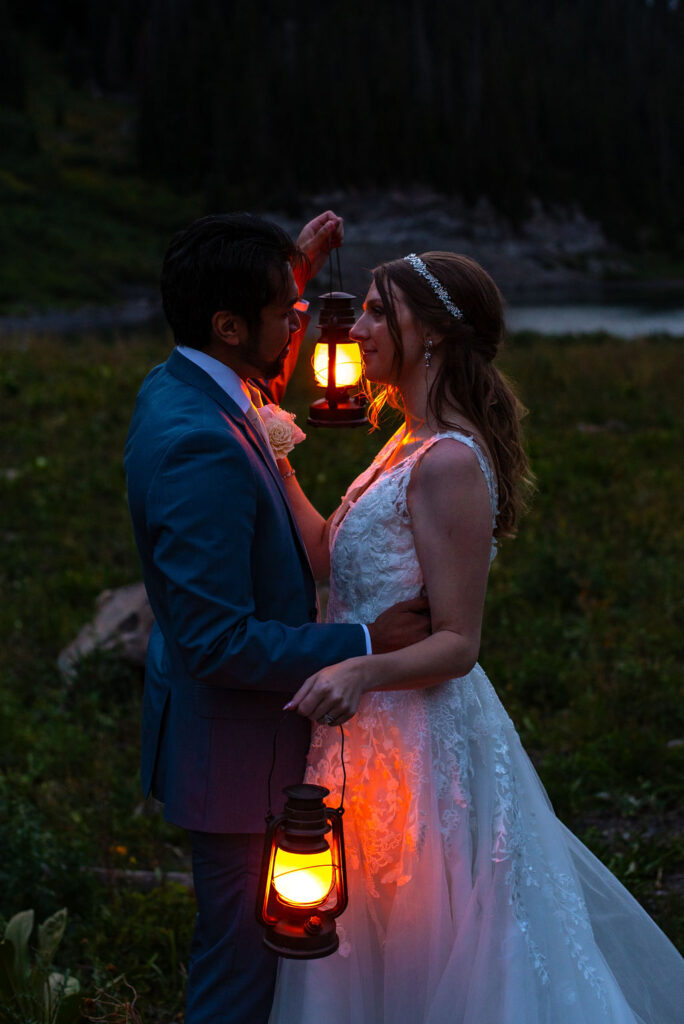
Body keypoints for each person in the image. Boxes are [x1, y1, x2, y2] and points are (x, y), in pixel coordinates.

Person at [268, 251, 684, 1023]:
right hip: (360, 741)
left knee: (431, 939)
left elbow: (459, 644)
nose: (354, 330)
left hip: (421, 744)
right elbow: (330, 554)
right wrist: (279, 457)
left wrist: (357, 671)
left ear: (428, 335)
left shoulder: (450, 459)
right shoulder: (402, 441)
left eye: (372, 312)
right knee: (365, 938)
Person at [123, 212, 430, 1024]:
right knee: (240, 974)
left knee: (249, 960)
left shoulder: (185, 383)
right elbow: (217, 640)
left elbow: (253, 386)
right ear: (227, 326)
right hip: (237, 758)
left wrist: (287, 272)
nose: (299, 324)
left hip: (227, 741)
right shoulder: (201, 445)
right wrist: (367, 641)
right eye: (282, 314)